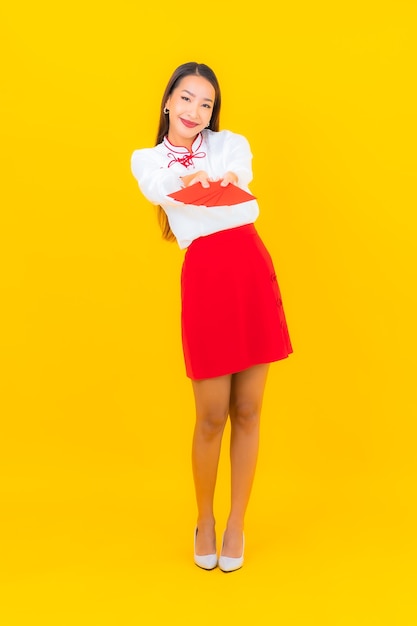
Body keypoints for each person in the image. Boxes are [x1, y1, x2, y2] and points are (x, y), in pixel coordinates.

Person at [131, 62, 293, 572]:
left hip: (250, 265)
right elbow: (160, 188)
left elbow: (237, 176)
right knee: (210, 416)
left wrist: (220, 176)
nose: (195, 111)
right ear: (168, 102)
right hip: (205, 275)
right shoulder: (147, 159)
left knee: (248, 409)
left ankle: (236, 523)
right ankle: (204, 519)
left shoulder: (230, 145)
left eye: (206, 103)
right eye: (186, 99)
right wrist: (190, 176)